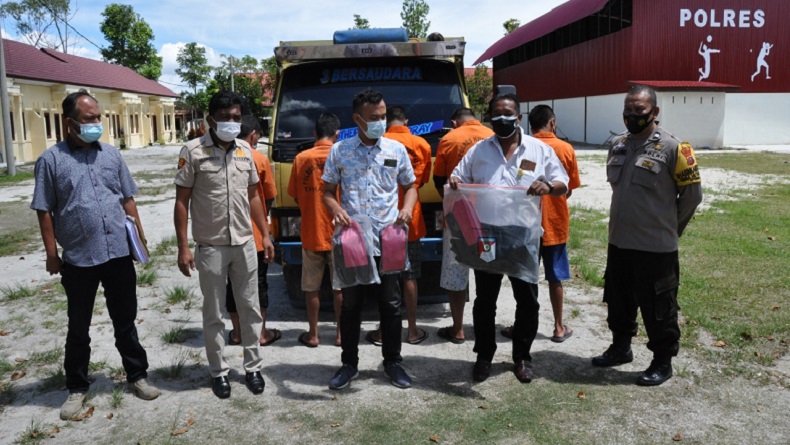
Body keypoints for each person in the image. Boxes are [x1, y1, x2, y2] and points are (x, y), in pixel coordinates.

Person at [31, 90, 160, 420]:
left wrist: (140, 241)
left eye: (98, 117)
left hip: (117, 252)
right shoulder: (51, 160)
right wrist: (51, 254)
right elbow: (44, 210)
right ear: (69, 122)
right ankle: (76, 386)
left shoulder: (112, 156)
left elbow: (128, 199)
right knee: (78, 325)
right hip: (78, 258)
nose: (96, 124)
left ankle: (137, 376)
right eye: (89, 119)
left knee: (125, 319)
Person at [449, 92, 569, 383]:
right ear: (489, 118)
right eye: (497, 115)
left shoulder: (539, 150)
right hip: (486, 234)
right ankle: (484, 355)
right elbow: (457, 176)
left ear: (519, 117)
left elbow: (562, 182)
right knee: (484, 300)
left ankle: (523, 357)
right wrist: (454, 182)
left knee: (527, 300)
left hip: (522, 236)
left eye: (508, 114)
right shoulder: (478, 151)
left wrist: (548, 185)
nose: (503, 120)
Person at [592, 84, 702, 386]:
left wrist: (669, 229)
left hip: (656, 248)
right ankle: (620, 347)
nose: (631, 115)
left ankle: (662, 362)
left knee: (659, 308)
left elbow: (692, 197)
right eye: (627, 110)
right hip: (619, 242)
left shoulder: (676, 148)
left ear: (654, 112)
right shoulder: (618, 145)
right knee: (618, 299)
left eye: (638, 110)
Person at [173, 91, 275, 398]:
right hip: (211, 246)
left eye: (235, 117)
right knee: (214, 314)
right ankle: (218, 372)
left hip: (245, 244)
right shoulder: (192, 151)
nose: (231, 123)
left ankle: (253, 368)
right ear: (210, 120)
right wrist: (183, 247)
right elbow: (182, 202)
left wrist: (266, 234)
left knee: (250, 308)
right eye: (225, 117)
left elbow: (255, 196)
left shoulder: (246, 150)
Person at [322, 89, 418, 390]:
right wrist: (336, 208)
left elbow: (411, 187)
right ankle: (349, 364)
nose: (380, 122)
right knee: (350, 305)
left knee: (391, 304)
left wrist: (406, 208)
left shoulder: (396, 150)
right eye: (374, 118)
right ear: (357, 119)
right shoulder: (340, 151)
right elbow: (326, 192)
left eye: (383, 116)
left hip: (388, 239)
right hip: (353, 241)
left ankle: (393, 363)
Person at [501, 105, 581, 343]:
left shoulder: (525, 150)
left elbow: (515, 187)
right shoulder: (565, 149)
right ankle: (558, 327)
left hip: (526, 225)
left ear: (527, 123)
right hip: (555, 224)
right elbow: (569, 187)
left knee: (525, 278)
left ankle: (521, 325)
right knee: (555, 277)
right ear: (552, 123)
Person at [366, 105, 431, 346]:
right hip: (410, 220)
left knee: (386, 278)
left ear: (386, 120)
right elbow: (418, 183)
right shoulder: (422, 145)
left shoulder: (378, 144)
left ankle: (384, 331)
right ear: (406, 120)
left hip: (382, 223)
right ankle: (413, 330)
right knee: (409, 275)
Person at [432, 107, 494, 344]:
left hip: (458, 219)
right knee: (487, 272)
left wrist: (451, 205)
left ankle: (458, 329)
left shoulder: (448, 139)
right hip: (488, 219)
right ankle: (483, 325)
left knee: (455, 271)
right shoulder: (491, 136)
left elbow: (439, 181)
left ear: (454, 122)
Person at [287, 112, 344, 348]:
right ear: (337, 134)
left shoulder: (301, 159)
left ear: (314, 134)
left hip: (311, 232)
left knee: (311, 288)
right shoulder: (343, 156)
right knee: (340, 286)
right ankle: (341, 335)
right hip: (341, 233)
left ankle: (313, 334)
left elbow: (295, 195)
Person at [225, 114, 281, 347]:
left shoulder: (225, 157)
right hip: (256, 236)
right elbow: (268, 197)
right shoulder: (258, 158)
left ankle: (237, 333)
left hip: (228, 233)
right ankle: (260, 334)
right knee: (258, 284)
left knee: (232, 286)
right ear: (254, 134)